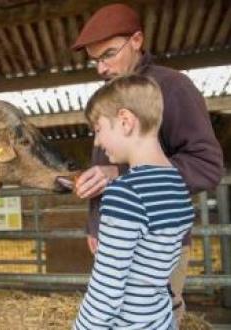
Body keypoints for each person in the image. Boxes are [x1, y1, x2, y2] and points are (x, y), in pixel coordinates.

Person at [71, 3, 223, 324]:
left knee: (152, 309)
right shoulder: (111, 96)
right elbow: (107, 166)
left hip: (155, 242)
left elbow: (207, 165)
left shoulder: (172, 87)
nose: (100, 68)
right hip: (115, 235)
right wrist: (95, 222)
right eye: (94, 60)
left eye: (108, 55)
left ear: (137, 40)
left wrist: (118, 174)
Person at [73, 74, 195, 329]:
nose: (97, 141)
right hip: (160, 320)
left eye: (98, 130)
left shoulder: (125, 192)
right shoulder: (177, 185)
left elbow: (106, 289)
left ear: (125, 121)